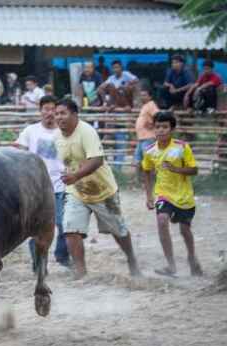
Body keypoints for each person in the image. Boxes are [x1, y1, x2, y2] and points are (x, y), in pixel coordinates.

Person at [54, 98, 141, 279]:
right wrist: (71, 177)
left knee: (119, 230)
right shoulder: (57, 137)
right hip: (77, 191)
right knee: (70, 229)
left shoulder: (86, 131)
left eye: (63, 113)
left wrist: (75, 176)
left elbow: (97, 160)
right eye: (57, 114)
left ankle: (132, 259)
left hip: (103, 191)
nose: (59, 117)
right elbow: (69, 163)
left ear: (74, 114)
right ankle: (81, 272)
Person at [142, 112, 202, 277]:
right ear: (154, 129)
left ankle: (192, 257)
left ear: (172, 129)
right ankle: (171, 265)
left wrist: (176, 169)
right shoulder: (149, 151)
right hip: (163, 193)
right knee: (162, 221)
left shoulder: (182, 147)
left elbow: (194, 170)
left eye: (165, 127)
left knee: (184, 230)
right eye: (158, 127)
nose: (161, 130)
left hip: (184, 196)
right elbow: (146, 171)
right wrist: (149, 196)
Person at [15, 95, 71, 268]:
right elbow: (19, 153)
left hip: (60, 185)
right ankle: (38, 263)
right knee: (36, 228)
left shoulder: (64, 133)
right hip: (35, 188)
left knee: (63, 224)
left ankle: (62, 256)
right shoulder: (30, 131)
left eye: (53, 110)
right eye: (45, 109)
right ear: (40, 111)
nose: (49, 113)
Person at [134, 88, 159, 185]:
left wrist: (153, 124)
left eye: (144, 95)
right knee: (138, 160)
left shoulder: (151, 105)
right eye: (141, 95)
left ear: (150, 96)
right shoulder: (145, 106)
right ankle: (139, 181)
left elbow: (158, 116)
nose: (142, 97)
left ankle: (152, 181)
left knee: (149, 160)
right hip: (141, 138)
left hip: (148, 137)